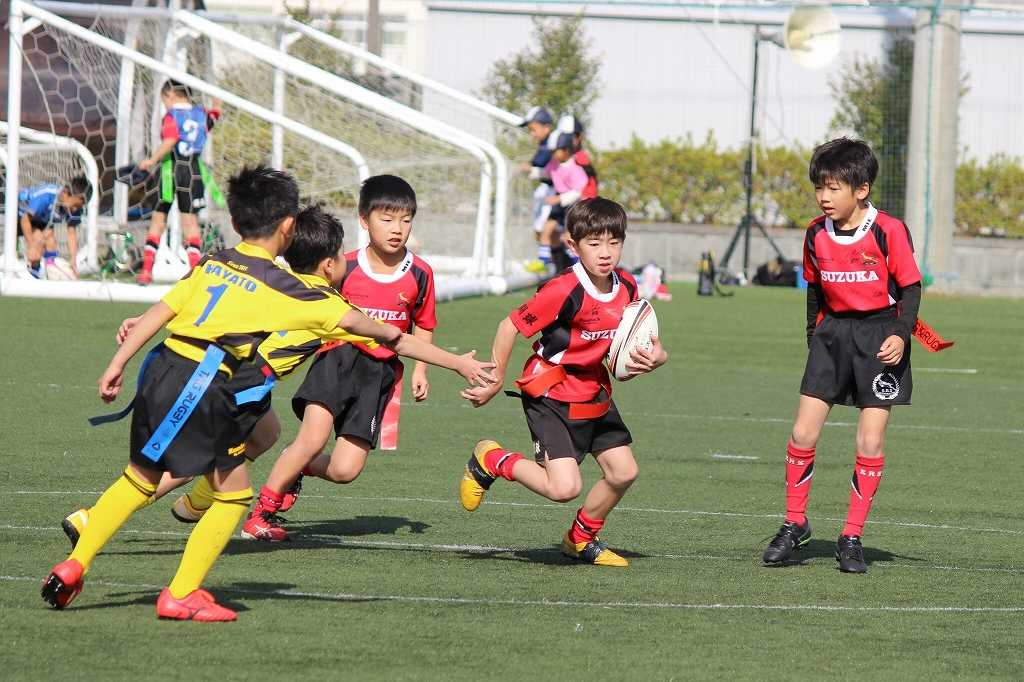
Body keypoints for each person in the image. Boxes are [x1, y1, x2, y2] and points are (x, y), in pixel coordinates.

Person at [40, 166, 494, 621]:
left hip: (164, 369)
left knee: (230, 445)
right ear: (301, 239)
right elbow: (395, 339)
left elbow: (167, 308)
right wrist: (457, 363)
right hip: (214, 384)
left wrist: (120, 359)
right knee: (228, 490)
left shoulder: (218, 260)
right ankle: (180, 588)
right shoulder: (306, 297)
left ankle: (77, 561)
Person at [59, 203, 377, 544]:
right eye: (341, 255)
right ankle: (91, 519)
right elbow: (379, 335)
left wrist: (143, 319)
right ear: (328, 264)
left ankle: (197, 503)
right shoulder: (324, 302)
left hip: (234, 376)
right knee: (184, 462)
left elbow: (215, 305)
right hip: (237, 381)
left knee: (266, 432)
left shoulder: (275, 280)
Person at [458, 198, 668, 567]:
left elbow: (644, 339)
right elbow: (509, 326)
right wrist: (495, 377)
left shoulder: (627, 285)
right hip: (552, 394)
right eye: (594, 243)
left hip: (593, 391)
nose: (605, 253)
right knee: (564, 487)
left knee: (624, 472)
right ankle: (492, 459)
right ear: (573, 245)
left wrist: (657, 356)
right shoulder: (562, 289)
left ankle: (580, 539)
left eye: (614, 243)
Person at [241, 175, 438, 542]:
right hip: (336, 359)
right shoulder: (340, 265)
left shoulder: (421, 274)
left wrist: (420, 371)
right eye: (387, 219)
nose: (397, 229)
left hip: (379, 375)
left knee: (346, 470)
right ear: (364, 219)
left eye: (405, 220)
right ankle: (262, 513)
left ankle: (297, 466)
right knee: (313, 438)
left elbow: (423, 325)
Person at [761, 138, 922, 574]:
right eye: (819, 187)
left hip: (880, 338)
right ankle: (795, 523)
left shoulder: (888, 230)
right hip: (832, 335)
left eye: (833, 188)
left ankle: (851, 536)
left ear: (861, 189)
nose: (823, 197)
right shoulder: (815, 233)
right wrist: (813, 336)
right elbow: (813, 288)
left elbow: (910, 287)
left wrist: (901, 334)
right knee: (802, 433)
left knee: (869, 441)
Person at [136, 80, 221, 285]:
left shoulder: (172, 116)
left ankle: (146, 271)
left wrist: (151, 160)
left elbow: (171, 139)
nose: (165, 105)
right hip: (193, 171)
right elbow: (216, 111)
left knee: (158, 219)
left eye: (164, 100)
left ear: (170, 95)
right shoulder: (201, 114)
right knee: (190, 222)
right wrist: (214, 90)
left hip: (170, 169)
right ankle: (195, 275)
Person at [17, 177, 90, 278]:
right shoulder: (47, 196)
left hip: (38, 221)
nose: (75, 210)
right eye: (74, 206)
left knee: (50, 241)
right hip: (17, 217)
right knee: (38, 241)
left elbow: (71, 232)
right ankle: (33, 275)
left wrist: (73, 260)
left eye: (79, 207)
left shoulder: (75, 207)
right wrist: (31, 245)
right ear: (65, 193)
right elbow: (25, 219)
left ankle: (50, 270)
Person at [540, 132, 589, 272]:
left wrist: (559, 199)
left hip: (572, 205)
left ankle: (578, 266)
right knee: (547, 230)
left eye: (555, 151)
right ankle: (543, 262)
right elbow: (544, 173)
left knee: (568, 236)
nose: (552, 154)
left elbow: (577, 192)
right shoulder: (553, 164)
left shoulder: (575, 169)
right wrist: (532, 171)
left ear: (566, 150)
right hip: (558, 202)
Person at [519, 106, 559, 272]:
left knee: (547, 229)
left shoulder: (553, 146)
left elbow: (555, 171)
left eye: (533, 129)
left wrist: (534, 170)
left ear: (546, 127)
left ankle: (549, 263)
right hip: (546, 190)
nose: (532, 134)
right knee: (541, 230)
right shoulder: (544, 145)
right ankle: (552, 264)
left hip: (556, 193)